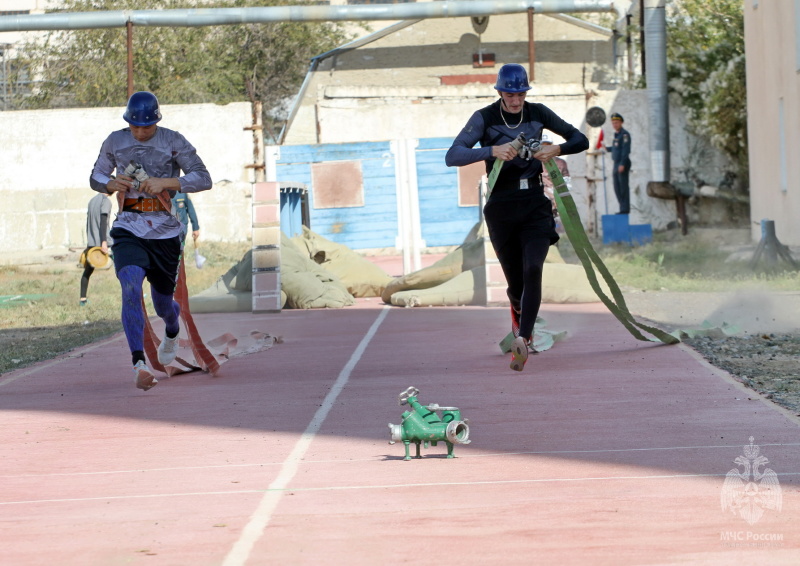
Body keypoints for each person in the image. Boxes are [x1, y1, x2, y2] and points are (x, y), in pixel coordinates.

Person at [446, 63, 588, 372]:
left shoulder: (538, 113)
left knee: (533, 267)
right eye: (510, 94)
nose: (516, 100)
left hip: (535, 203)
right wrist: (492, 151)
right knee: (515, 283)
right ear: (499, 92)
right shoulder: (484, 118)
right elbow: (453, 155)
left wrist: (556, 148)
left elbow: (581, 140)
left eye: (521, 94)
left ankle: (523, 337)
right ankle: (519, 316)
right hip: (501, 206)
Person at [89, 91, 213, 391]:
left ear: (157, 120)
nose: (140, 132)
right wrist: (108, 183)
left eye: (146, 126)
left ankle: (172, 328)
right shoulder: (114, 141)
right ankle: (138, 362)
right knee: (130, 284)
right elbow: (96, 175)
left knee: (162, 304)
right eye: (135, 126)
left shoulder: (173, 141)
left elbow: (203, 177)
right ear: (127, 121)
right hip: (129, 227)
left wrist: (168, 182)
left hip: (165, 231)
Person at [79, 192, 112, 306]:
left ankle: (82, 299)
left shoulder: (92, 200)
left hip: (92, 242)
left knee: (87, 271)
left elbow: (89, 222)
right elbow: (103, 221)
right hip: (103, 242)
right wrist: (104, 242)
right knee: (125, 268)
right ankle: (134, 295)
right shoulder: (105, 201)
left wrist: (90, 243)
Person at [540, 132, 571, 216]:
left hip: (557, 200)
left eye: (548, 144)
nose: (546, 147)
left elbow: (567, 182)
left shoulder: (560, 162)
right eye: (543, 144)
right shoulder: (533, 162)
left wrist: (561, 198)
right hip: (540, 200)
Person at [606, 112, 631, 214]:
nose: (615, 125)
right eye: (613, 123)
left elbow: (626, 150)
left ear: (621, 122)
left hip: (622, 163)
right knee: (616, 187)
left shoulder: (625, 135)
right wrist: (606, 148)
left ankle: (625, 209)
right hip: (616, 163)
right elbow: (616, 148)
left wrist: (622, 164)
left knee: (623, 186)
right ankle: (622, 207)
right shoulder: (617, 135)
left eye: (616, 122)